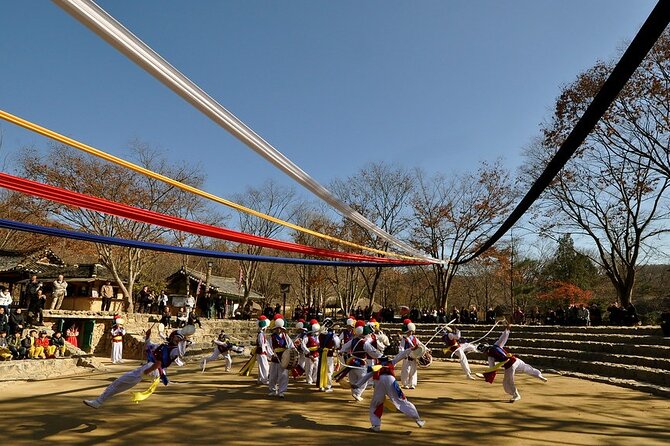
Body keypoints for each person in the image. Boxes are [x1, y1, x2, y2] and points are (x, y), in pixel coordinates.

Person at [83, 325, 195, 408]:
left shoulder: (174, 350)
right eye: (177, 338)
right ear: (172, 337)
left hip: (154, 369)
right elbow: (149, 345)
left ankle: (99, 401)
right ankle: (99, 401)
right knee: (120, 383)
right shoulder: (163, 346)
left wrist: (184, 342)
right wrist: (147, 336)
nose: (178, 340)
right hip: (152, 369)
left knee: (121, 381)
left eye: (180, 339)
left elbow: (179, 354)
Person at [476, 321, 547, 402]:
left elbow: (492, 368)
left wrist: (486, 375)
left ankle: (516, 395)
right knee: (527, 368)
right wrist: (508, 328)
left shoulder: (490, 356)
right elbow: (503, 337)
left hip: (509, 365)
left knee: (507, 383)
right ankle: (539, 375)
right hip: (515, 360)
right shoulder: (496, 345)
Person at [355, 350, 425, 432]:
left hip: (379, 381)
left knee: (375, 404)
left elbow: (366, 376)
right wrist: (410, 349)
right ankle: (417, 419)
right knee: (402, 401)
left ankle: (376, 425)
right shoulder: (391, 363)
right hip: (390, 381)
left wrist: (357, 385)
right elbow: (400, 355)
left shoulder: (375, 367)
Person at [339, 321, 382, 402]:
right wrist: (382, 357)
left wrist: (341, 351)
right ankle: (357, 393)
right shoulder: (365, 343)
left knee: (353, 379)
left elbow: (344, 347)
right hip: (360, 363)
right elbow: (373, 352)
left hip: (351, 362)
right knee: (363, 379)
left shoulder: (353, 340)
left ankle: (355, 392)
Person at [266, 315, 295, 398]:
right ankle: (272, 390)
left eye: (280, 328)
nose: (278, 330)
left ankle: (281, 391)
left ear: (282, 329)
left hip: (284, 358)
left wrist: (290, 353)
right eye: (277, 328)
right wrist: (271, 355)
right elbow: (268, 346)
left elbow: (291, 346)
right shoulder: (272, 337)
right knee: (272, 375)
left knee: (283, 376)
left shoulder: (286, 337)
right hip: (275, 358)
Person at [317, 322, 341, 392]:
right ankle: (328, 386)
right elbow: (337, 345)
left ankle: (321, 386)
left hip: (322, 354)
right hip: (329, 354)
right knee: (329, 370)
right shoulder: (333, 336)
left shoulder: (320, 335)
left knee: (321, 369)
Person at [399, 320, 420, 389]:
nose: (410, 333)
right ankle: (405, 383)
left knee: (413, 370)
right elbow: (401, 347)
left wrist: (426, 349)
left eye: (411, 331)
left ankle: (412, 383)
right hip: (407, 356)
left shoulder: (415, 338)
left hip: (413, 356)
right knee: (406, 370)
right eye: (409, 331)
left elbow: (420, 344)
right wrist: (402, 354)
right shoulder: (404, 339)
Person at [301, 319, 321, 385]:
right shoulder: (307, 337)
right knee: (309, 368)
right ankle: (309, 379)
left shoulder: (318, 337)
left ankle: (314, 378)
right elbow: (303, 345)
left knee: (316, 367)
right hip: (309, 354)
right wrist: (308, 352)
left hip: (316, 354)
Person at [255, 315, 270, 385]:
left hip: (260, 352)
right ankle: (264, 380)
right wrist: (265, 349)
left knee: (261, 366)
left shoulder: (260, 333)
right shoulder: (261, 334)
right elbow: (261, 344)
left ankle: (260, 379)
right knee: (265, 366)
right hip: (261, 352)